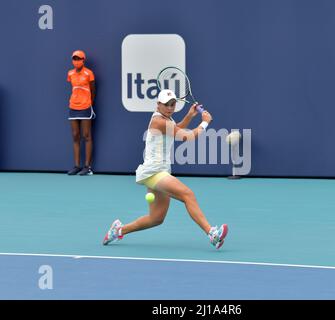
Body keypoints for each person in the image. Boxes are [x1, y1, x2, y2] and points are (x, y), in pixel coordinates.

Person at [103, 89, 228, 249]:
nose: (170, 108)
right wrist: (205, 122)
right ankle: (212, 234)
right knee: (187, 194)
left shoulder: (166, 121)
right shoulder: (159, 121)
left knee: (156, 218)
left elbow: (176, 130)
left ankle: (119, 230)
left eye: (173, 104)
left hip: (158, 172)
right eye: (166, 105)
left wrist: (189, 116)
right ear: (158, 105)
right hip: (154, 172)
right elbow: (186, 136)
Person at [66, 50, 96, 176]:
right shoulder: (70, 73)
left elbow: (93, 90)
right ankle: (77, 166)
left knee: (86, 135)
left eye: (79, 59)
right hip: (73, 106)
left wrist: (89, 103)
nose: (76, 61)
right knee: (75, 136)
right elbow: (73, 89)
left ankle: (87, 167)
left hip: (85, 107)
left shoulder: (89, 73)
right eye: (74, 58)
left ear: (83, 60)